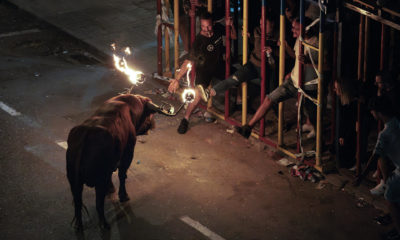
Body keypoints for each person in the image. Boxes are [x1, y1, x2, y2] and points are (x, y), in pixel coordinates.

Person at [236, 17, 319, 138]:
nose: (292, 31)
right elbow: (295, 56)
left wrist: (308, 62)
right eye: (292, 27)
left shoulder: (317, 43)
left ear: (306, 29)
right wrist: (286, 48)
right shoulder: (299, 39)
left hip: (308, 87)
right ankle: (248, 128)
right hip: (293, 81)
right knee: (269, 99)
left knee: (313, 116)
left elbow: (326, 66)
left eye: (295, 28)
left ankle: (320, 145)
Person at [168, 11, 236, 134]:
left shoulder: (218, 28)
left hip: (218, 65)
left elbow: (233, 37)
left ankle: (240, 102)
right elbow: (188, 60)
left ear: (213, 23)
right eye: (203, 27)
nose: (206, 29)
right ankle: (185, 119)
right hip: (204, 70)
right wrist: (177, 79)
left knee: (238, 77)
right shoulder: (199, 41)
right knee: (198, 95)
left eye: (208, 26)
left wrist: (230, 25)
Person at [204, 14, 279, 103]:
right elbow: (255, 43)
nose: (262, 27)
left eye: (265, 24)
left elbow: (285, 55)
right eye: (260, 24)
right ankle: (210, 92)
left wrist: (273, 50)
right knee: (234, 78)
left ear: (272, 24)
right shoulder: (257, 30)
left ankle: (278, 114)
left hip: (269, 69)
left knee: (271, 96)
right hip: (253, 64)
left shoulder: (279, 34)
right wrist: (247, 36)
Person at [354, 96, 400, 240]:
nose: (372, 114)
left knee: (390, 197)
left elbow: (375, 157)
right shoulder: (397, 122)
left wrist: (361, 177)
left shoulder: (384, 134)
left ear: (378, 112)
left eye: (373, 111)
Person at [333, 78, 358, 169]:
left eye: (336, 88)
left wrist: (343, 136)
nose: (334, 90)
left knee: (346, 147)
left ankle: (352, 163)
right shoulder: (341, 101)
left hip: (348, 131)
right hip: (344, 130)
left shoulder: (351, 104)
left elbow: (349, 123)